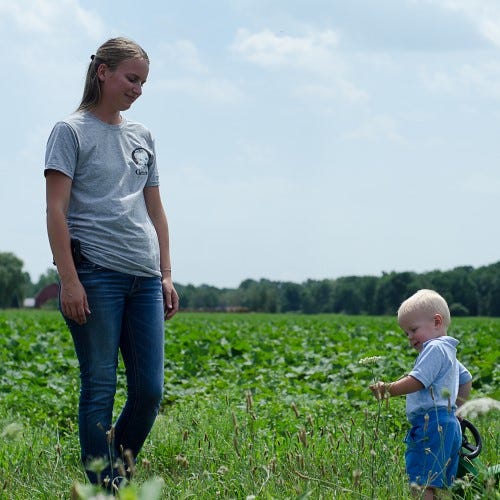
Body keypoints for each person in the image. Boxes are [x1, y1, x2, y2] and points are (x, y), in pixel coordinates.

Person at [44, 37, 179, 490]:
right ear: (103, 71)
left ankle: (112, 478)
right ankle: (102, 490)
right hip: (95, 275)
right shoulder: (70, 131)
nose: (138, 88)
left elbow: (155, 210)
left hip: (143, 277)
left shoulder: (143, 137)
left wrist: (165, 273)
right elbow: (55, 211)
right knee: (100, 387)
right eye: (131, 78)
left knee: (148, 393)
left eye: (143, 81)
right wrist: (69, 280)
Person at [369, 289, 472, 499]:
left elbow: (417, 381)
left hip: (431, 424)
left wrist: (389, 389)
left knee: (422, 483)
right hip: (446, 424)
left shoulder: (434, 348)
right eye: (406, 333)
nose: (410, 338)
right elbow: (466, 378)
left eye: (413, 330)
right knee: (435, 481)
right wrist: (457, 411)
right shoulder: (449, 352)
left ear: (436, 322)